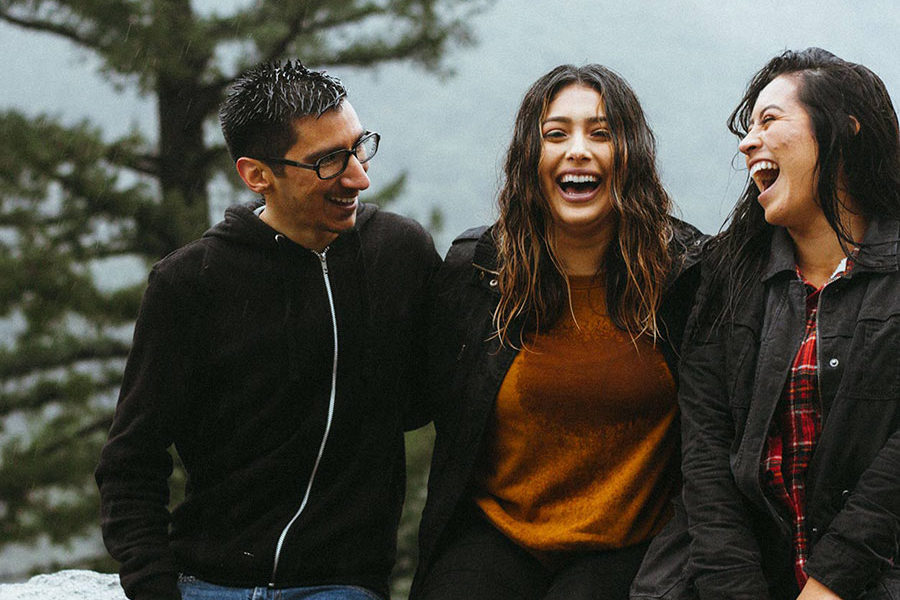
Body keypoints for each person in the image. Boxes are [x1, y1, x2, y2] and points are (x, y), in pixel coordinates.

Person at [94, 60, 440, 600]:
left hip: (338, 584)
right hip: (206, 583)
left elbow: (436, 396)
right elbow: (131, 461)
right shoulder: (190, 283)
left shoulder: (399, 254)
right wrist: (154, 587)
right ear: (257, 175)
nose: (359, 177)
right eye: (328, 162)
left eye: (359, 148)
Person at [410, 64, 706, 600]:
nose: (578, 151)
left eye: (601, 133)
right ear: (531, 157)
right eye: (556, 134)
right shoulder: (478, 273)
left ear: (632, 155)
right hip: (498, 536)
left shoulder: (685, 279)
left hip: (630, 547)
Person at [633, 48, 900, 600]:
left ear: (845, 129)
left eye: (770, 120)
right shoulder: (725, 276)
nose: (747, 142)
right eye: (748, 128)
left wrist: (829, 584)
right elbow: (706, 459)